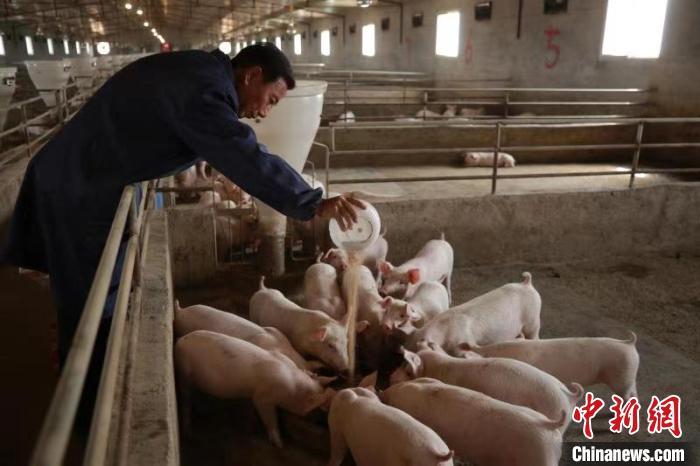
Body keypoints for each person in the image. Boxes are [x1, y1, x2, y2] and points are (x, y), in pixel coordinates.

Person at [0, 44, 363, 427]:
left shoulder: (201, 74)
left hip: (86, 176)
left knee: (91, 291)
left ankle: (78, 364)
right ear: (251, 75)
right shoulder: (205, 90)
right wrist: (310, 201)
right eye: (270, 100)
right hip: (81, 185)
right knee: (93, 301)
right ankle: (88, 414)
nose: (263, 112)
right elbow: (242, 153)